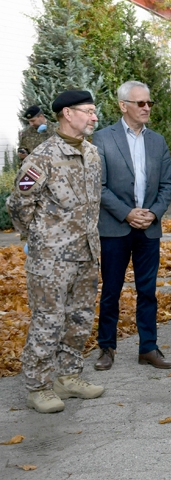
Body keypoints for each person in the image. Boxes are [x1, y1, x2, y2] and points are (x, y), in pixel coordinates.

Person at [6, 90, 104, 413]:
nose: (93, 117)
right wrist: (38, 238)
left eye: (94, 111)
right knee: (48, 321)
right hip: (51, 260)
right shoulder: (42, 157)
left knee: (80, 319)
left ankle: (69, 377)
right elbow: (18, 203)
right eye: (88, 111)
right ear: (66, 113)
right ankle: (38, 386)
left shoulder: (92, 155)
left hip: (87, 255)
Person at [92, 81, 171, 371]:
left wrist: (152, 214)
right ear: (122, 105)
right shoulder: (102, 139)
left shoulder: (158, 141)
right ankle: (106, 348)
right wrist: (127, 213)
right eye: (140, 103)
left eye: (149, 103)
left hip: (149, 229)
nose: (146, 108)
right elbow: (99, 187)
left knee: (148, 291)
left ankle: (148, 348)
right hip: (115, 228)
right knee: (111, 290)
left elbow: (167, 185)